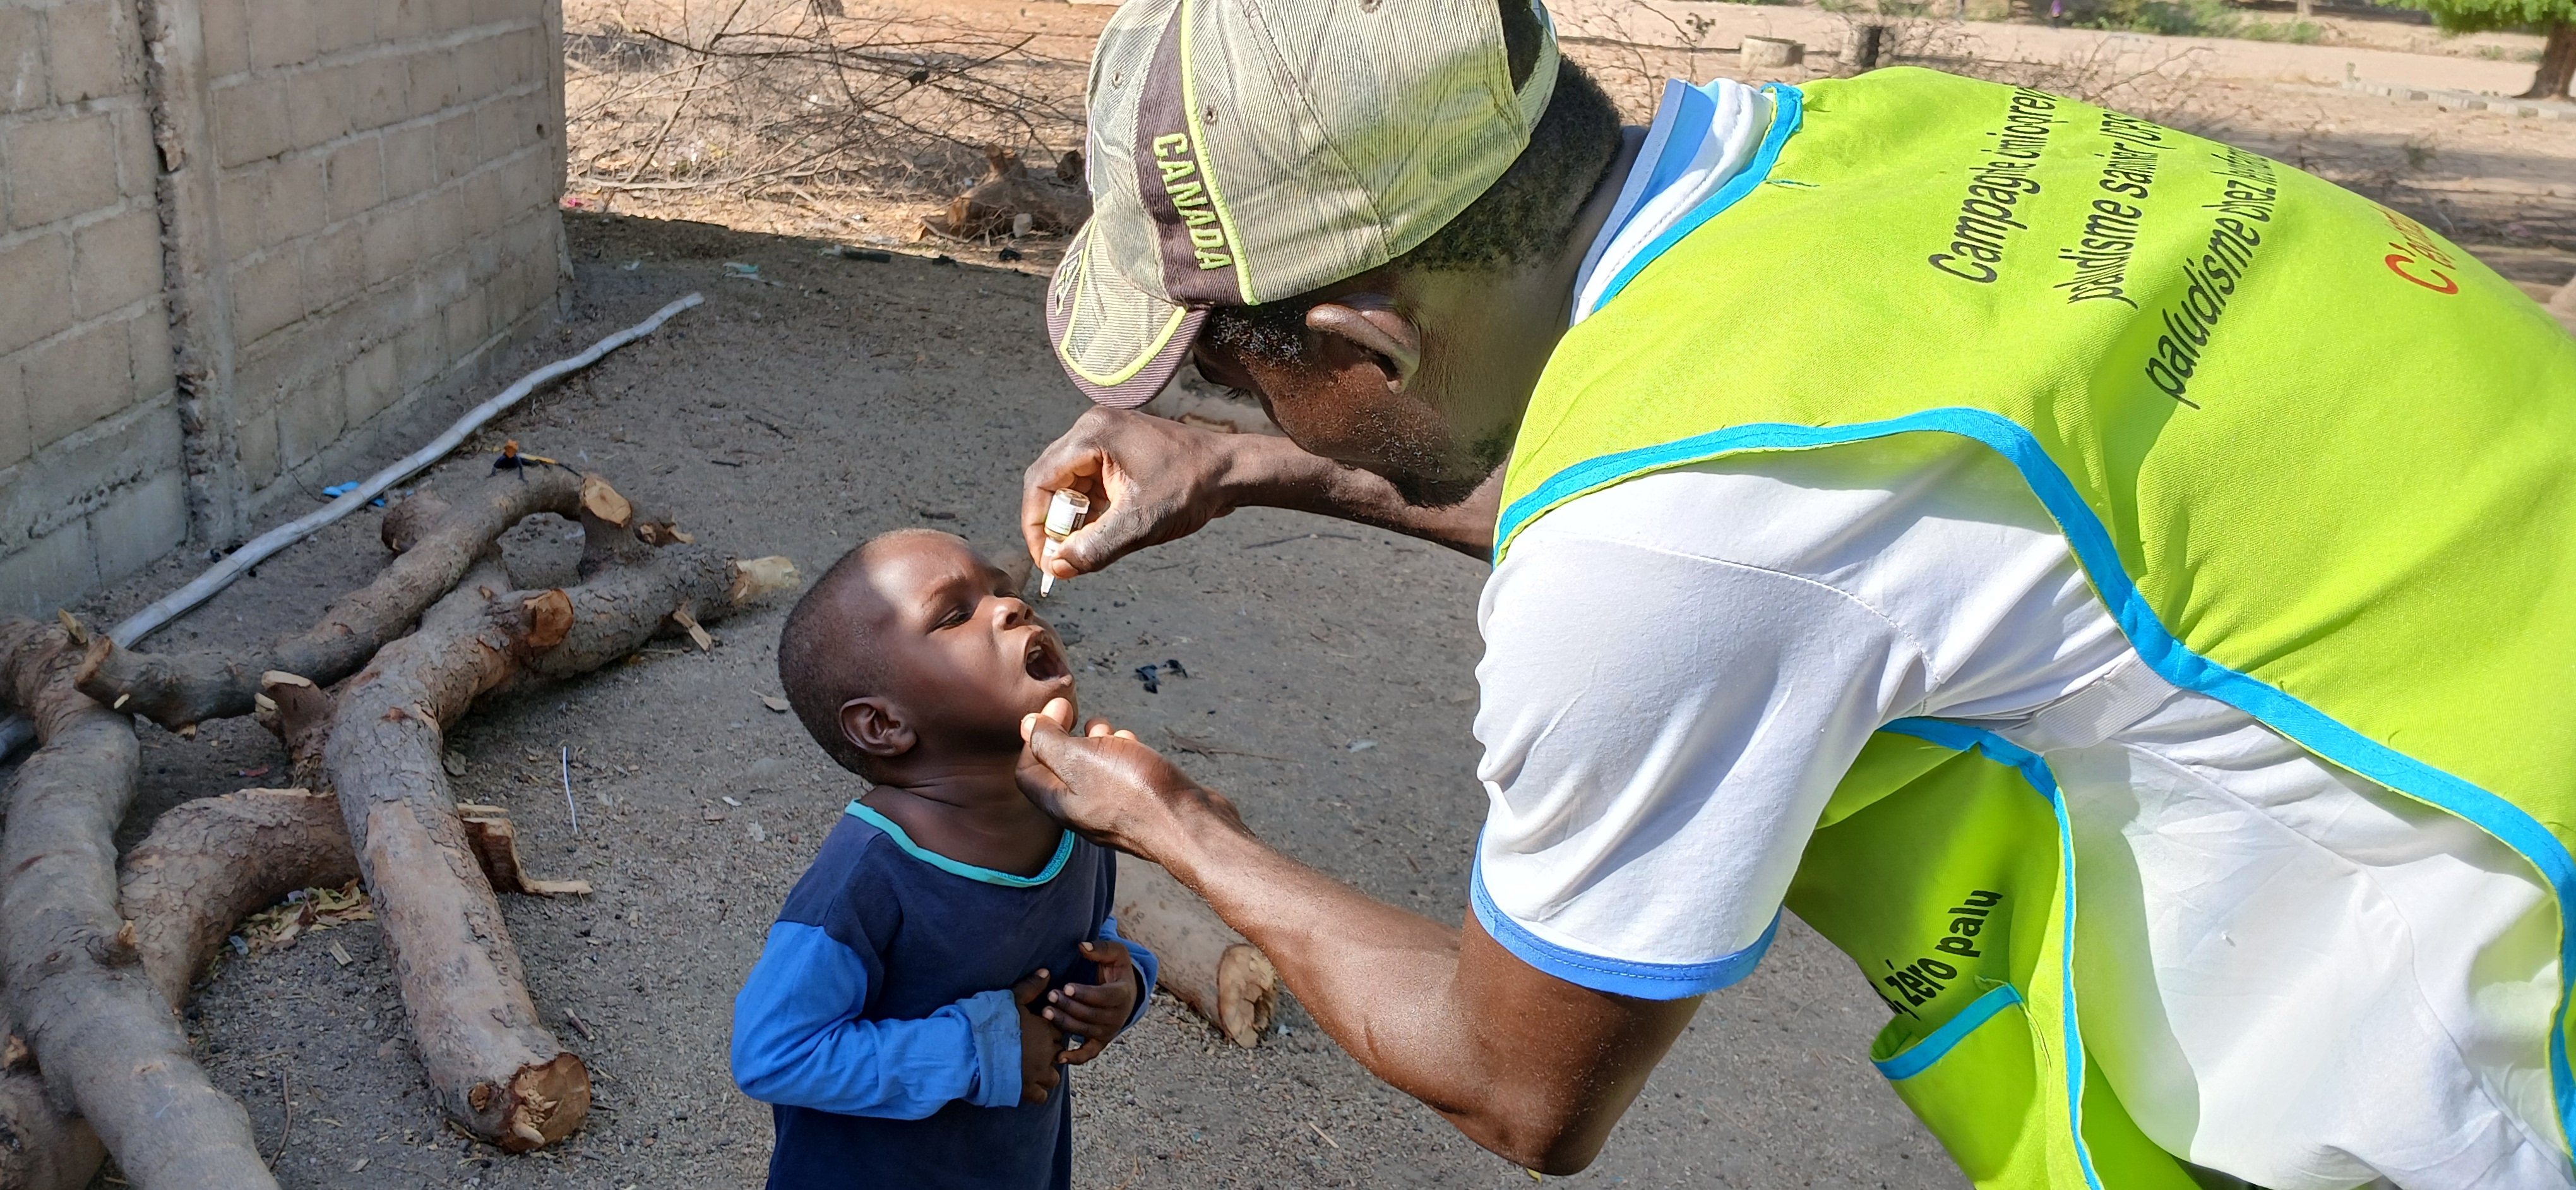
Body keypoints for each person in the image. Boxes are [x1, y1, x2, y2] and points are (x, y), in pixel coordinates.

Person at [1015, 0, 2576, 1186]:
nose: (1241, 411)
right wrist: (1251, 469)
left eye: (1231, 374)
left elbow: (1520, 1084)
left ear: (1367, 340)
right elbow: (1774, 517)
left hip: (2505, 1013)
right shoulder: (1855, 147)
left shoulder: (1660, 560)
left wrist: (1168, 821)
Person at [732, 529, 1159, 1189]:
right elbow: (772, 1053)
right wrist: (974, 1050)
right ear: (883, 725)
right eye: (956, 615)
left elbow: (1091, 939)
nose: (1010, 609)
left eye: (1002, 590)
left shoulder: (1075, 814)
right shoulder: (869, 875)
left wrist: (1121, 986)